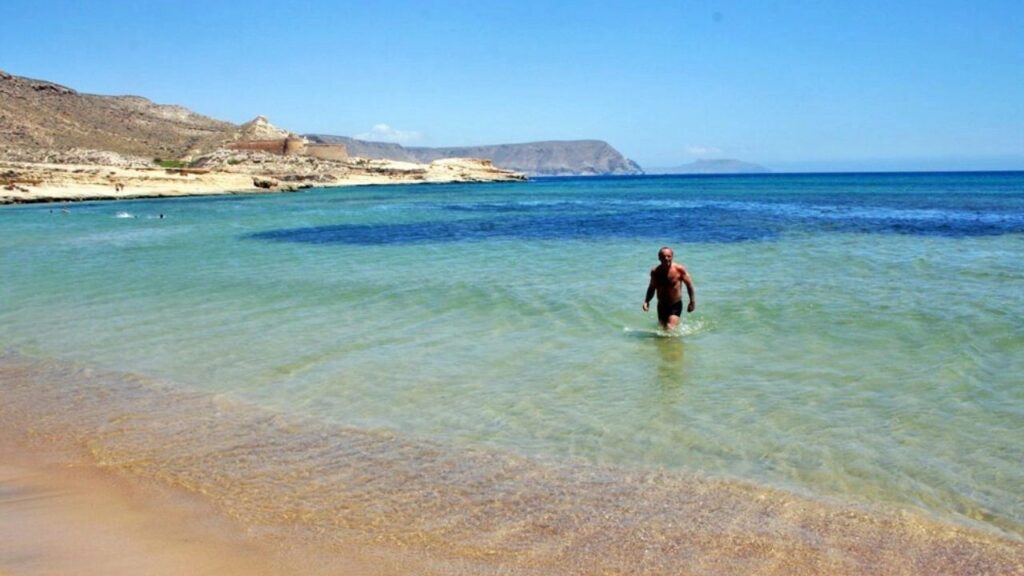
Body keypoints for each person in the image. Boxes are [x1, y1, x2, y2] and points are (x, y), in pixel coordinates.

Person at [642, 246, 696, 330]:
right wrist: (646, 301)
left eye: (669, 256)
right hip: (661, 305)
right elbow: (652, 287)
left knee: (670, 328)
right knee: (662, 330)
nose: (666, 258)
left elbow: (689, 285)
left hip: (675, 305)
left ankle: (675, 342)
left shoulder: (679, 270)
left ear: (672, 257)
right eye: (663, 257)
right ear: (659, 258)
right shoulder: (655, 271)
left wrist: (692, 301)